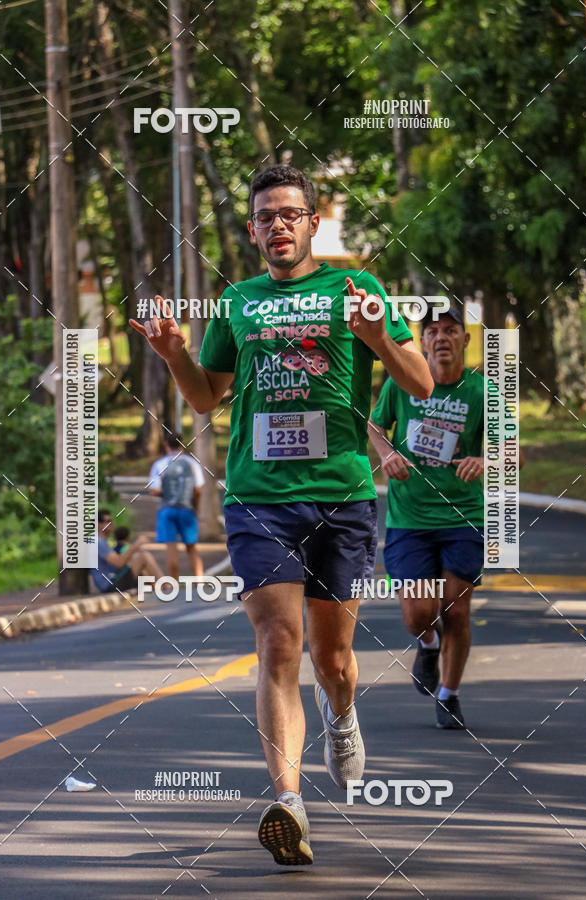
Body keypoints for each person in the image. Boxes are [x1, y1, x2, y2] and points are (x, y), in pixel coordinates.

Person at [130, 164, 433, 866]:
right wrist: (175, 352)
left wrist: (378, 338)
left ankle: (343, 713)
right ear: (251, 230)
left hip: (343, 492)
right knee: (277, 644)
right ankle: (289, 803)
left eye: (289, 214)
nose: (277, 226)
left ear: (312, 223)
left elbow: (417, 381)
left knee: (334, 659)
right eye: (265, 216)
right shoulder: (238, 301)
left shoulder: (354, 290)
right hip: (258, 494)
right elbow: (206, 398)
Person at [369, 307, 524, 730]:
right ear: (422, 342)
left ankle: (449, 695)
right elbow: (376, 426)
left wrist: (485, 459)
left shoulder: (482, 392)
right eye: (432, 331)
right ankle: (428, 643)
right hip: (410, 517)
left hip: (464, 517)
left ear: (464, 340)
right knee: (418, 613)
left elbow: (516, 454)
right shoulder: (402, 384)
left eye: (450, 331)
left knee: (456, 608)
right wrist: (387, 455)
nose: (441, 338)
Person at [148, 433, 205, 579]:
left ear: (165, 445)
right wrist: (195, 506)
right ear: (182, 444)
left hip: (167, 509)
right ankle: (199, 582)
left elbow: (154, 490)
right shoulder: (191, 463)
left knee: (171, 548)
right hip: (187, 508)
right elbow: (198, 489)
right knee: (191, 547)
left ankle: (174, 583)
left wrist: (168, 494)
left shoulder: (160, 464)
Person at [91, 510, 163, 593]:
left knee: (141, 563)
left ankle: (161, 589)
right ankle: (165, 587)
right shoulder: (97, 541)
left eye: (112, 520)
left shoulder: (101, 541)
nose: (112, 523)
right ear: (98, 524)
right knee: (143, 556)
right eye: (108, 521)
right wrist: (136, 545)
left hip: (114, 580)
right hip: (110, 585)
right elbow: (119, 563)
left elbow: (117, 563)